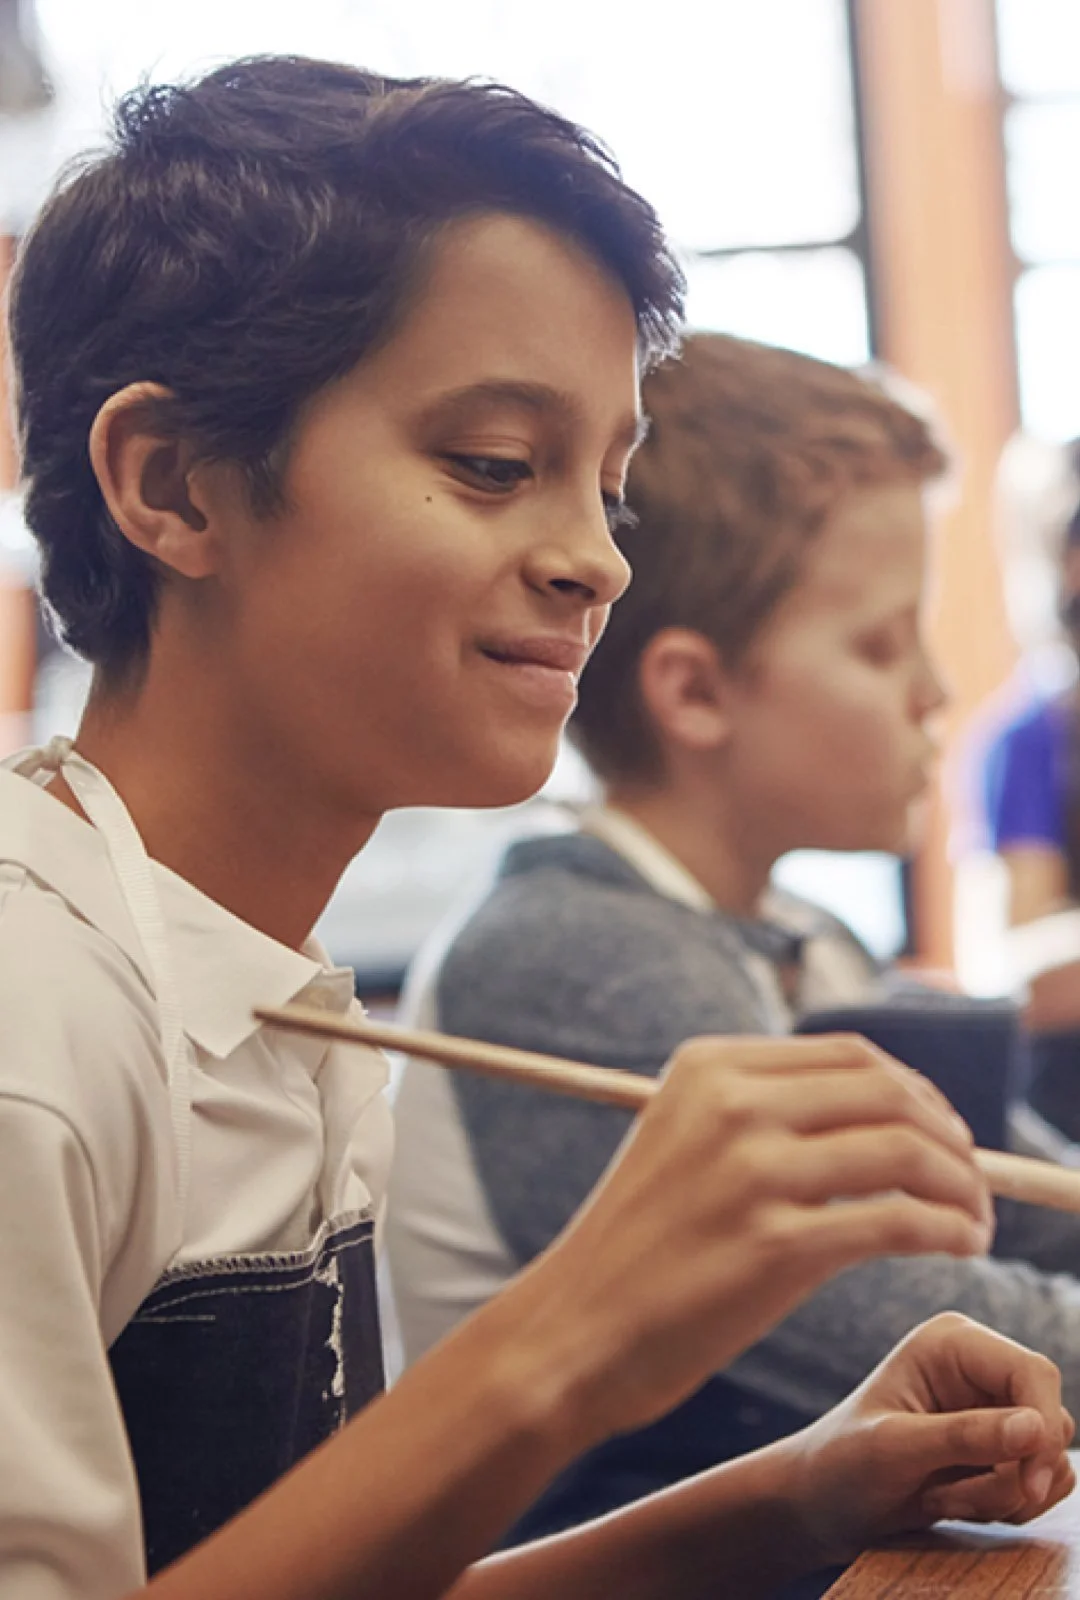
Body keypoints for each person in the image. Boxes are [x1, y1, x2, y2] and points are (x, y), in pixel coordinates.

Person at [2, 56, 1072, 1600]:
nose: (594, 561)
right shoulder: (37, 1016)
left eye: (607, 489)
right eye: (495, 465)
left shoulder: (270, 1000)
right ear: (173, 485)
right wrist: (569, 1338)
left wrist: (789, 1497)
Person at [386, 332, 1080, 1531]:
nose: (934, 689)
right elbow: (931, 1334)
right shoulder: (573, 957)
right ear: (696, 691)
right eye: (880, 641)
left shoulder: (811, 941)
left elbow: (1037, 1201)